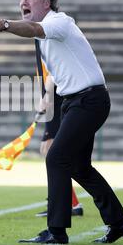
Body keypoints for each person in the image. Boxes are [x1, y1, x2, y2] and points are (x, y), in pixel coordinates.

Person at [0, 0, 123, 244]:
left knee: (56, 158)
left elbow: (32, 28)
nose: (23, 2)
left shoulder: (60, 22)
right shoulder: (44, 35)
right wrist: (47, 99)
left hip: (90, 101)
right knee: (78, 166)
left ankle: (57, 231)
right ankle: (119, 223)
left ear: (47, 3)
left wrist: (4, 25)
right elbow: (53, 68)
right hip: (74, 102)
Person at [35, 69, 84, 218]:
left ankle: (66, 204)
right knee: (52, 155)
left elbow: (52, 74)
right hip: (55, 107)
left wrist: (46, 98)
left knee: (54, 156)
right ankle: (71, 203)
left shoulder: (46, 46)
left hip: (57, 106)